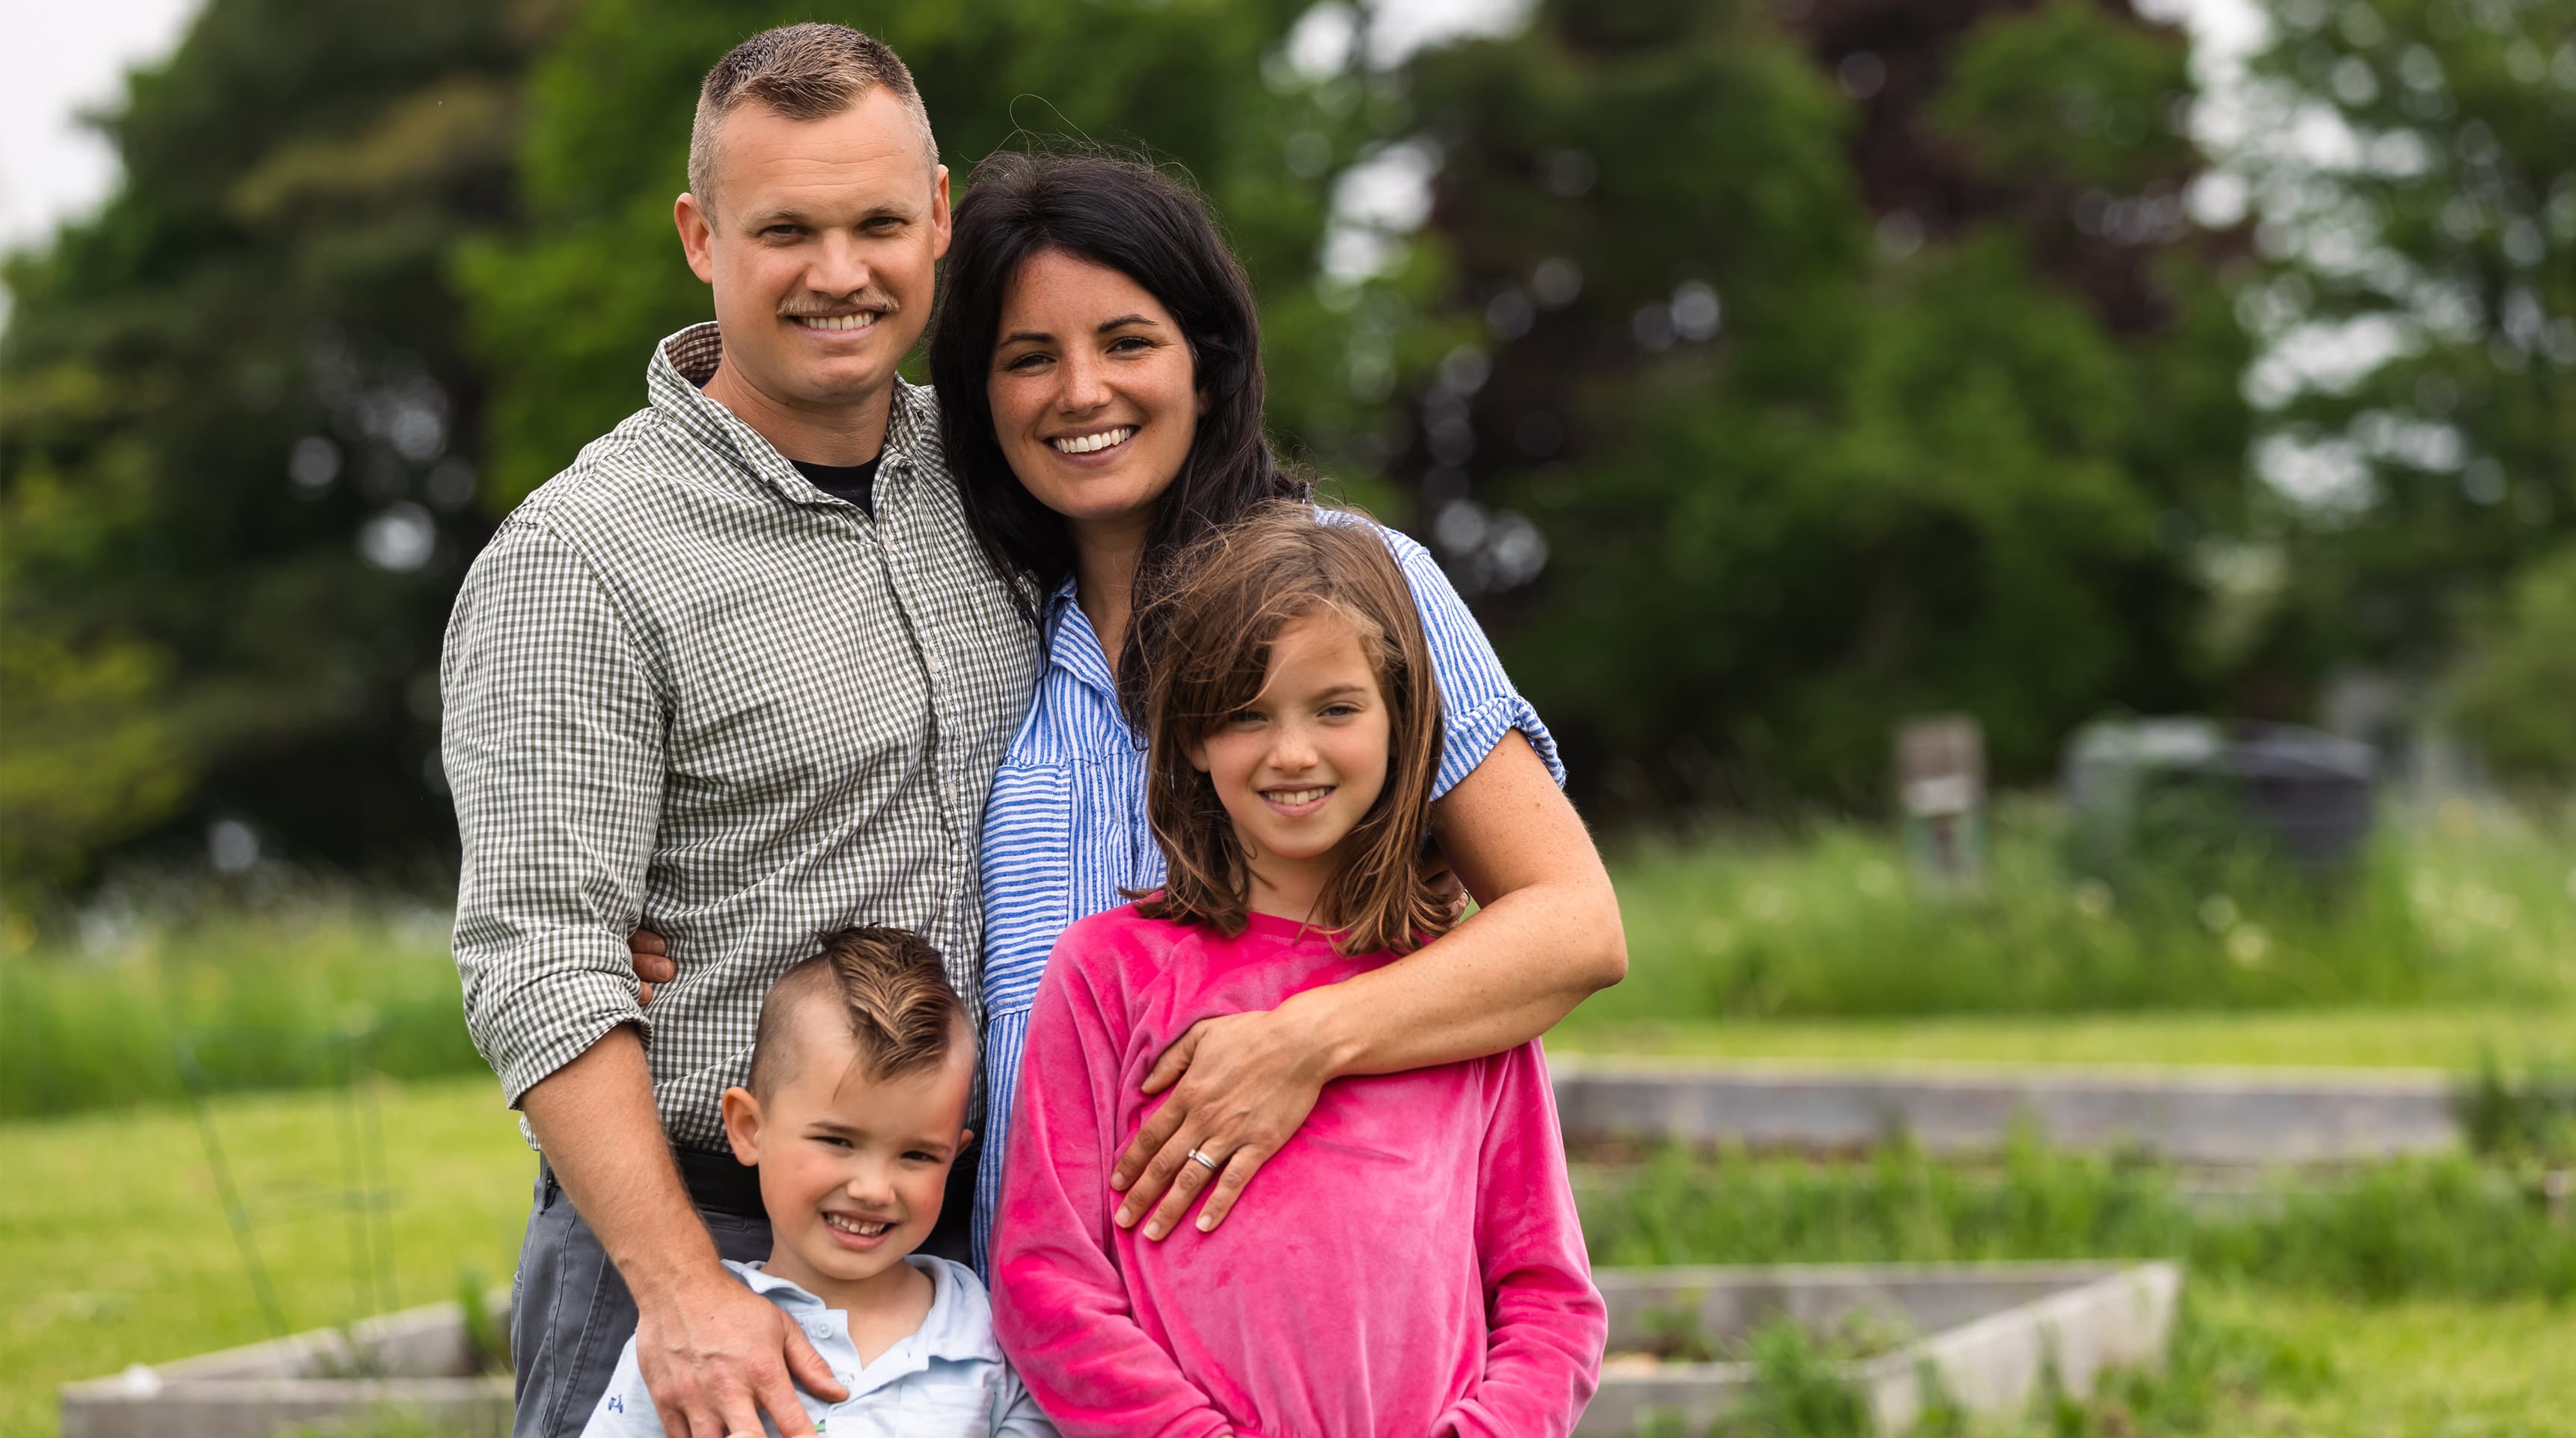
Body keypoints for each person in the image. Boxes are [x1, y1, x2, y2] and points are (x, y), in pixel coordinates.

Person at [439, 25, 1034, 1438]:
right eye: (787, 230)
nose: (842, 272)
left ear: (939, 216)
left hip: (971, 1236)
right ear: (701, 236)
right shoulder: (581, 558)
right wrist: (683, 1288)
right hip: (697, 1238)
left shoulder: (999, 486)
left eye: (880, 222)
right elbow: (538, 958)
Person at [921, 152, 1629, 1269]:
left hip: (1302, 1315)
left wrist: (1304, 1043)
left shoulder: (1354, 587)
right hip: (1047, 1340)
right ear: (980, 399)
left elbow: (1572, 925)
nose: (1079, 392)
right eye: (1027, 359)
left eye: (1126, 342)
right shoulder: (979, 622)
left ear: (1205, 366)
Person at [991, 504, 1606, 1434]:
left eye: (1335, 708)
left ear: (1404, 723)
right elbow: (1047, 1275)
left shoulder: (1460, 994)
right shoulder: (1106, 971)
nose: (1291, 752)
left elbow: (1548, 1295)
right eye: (1245, 714)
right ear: (1190, 738)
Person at [580, 928, 1054, 1437]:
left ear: (953, 1156)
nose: (874, 1190)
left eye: (917, 1154)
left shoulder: (992, 1339)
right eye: (838, 1142)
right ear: (749, 1129)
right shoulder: (695, 1341)